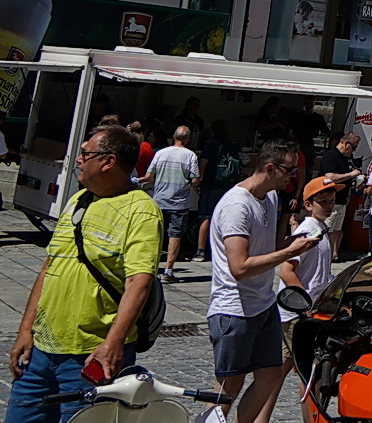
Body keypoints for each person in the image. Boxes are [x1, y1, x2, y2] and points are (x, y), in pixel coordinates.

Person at [6, 125, 162, 423]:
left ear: (108, 161)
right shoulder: (78, 200)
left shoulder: (141, 210)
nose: (77, 159)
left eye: (85, 153)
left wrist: (113, 342)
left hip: (91, 354)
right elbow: (48, 268)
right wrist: (25, 330)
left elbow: (138, 282)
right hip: (40, 351)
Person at [209, 139, 315, 423]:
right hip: (234, 309)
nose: (294, 177)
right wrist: (287, 253)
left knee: (269, 375)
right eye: (290, 171)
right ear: (270, 168)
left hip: (263, 305)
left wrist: (293, 242)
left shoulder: (270, 197)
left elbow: (264, 244)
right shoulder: (236, 206)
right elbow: (239, 267)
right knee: (228, 387)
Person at [277, 176, 339, 422]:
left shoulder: (321, 230)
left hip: (304, 313)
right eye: (322, 201)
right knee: (311, 376)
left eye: (331, 201)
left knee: (276, 373)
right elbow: (286, 271)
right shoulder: (308, 231)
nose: (328, 205)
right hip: (299, 316)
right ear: (308, 205)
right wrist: (306, 305)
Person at [142, 125, 199, 281]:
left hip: (159, 200)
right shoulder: (190, 156)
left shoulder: (160, 153)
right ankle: (168, 271)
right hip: (179, 203)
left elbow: (148, 176)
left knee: (155, 235)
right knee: (175, 236)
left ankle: (150, 269)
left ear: (173, 137)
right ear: (187, 139)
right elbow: (195, 179)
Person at [196, 118, 243, 263]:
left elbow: (203, 165)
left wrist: (198, 180)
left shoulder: (210, 146)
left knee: (206, 217)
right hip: (227, 186)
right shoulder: (232, 146)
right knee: (224, 218)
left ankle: (200, 251)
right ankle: (219, 250)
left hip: (210, 185)